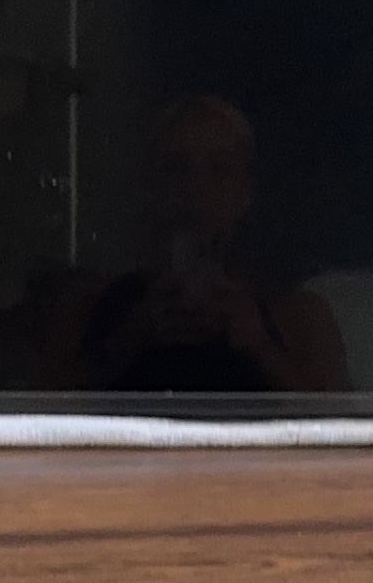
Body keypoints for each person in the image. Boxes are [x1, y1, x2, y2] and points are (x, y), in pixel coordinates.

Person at [33, 92, 351, 399]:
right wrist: (128, 340)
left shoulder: (298, 316)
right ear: (150, 187)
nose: (196, 187)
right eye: (176, 168)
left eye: (219, 169)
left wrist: (259, 346)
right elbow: (32, 420)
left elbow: (347, 429)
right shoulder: (89, 307)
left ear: (246, 194)